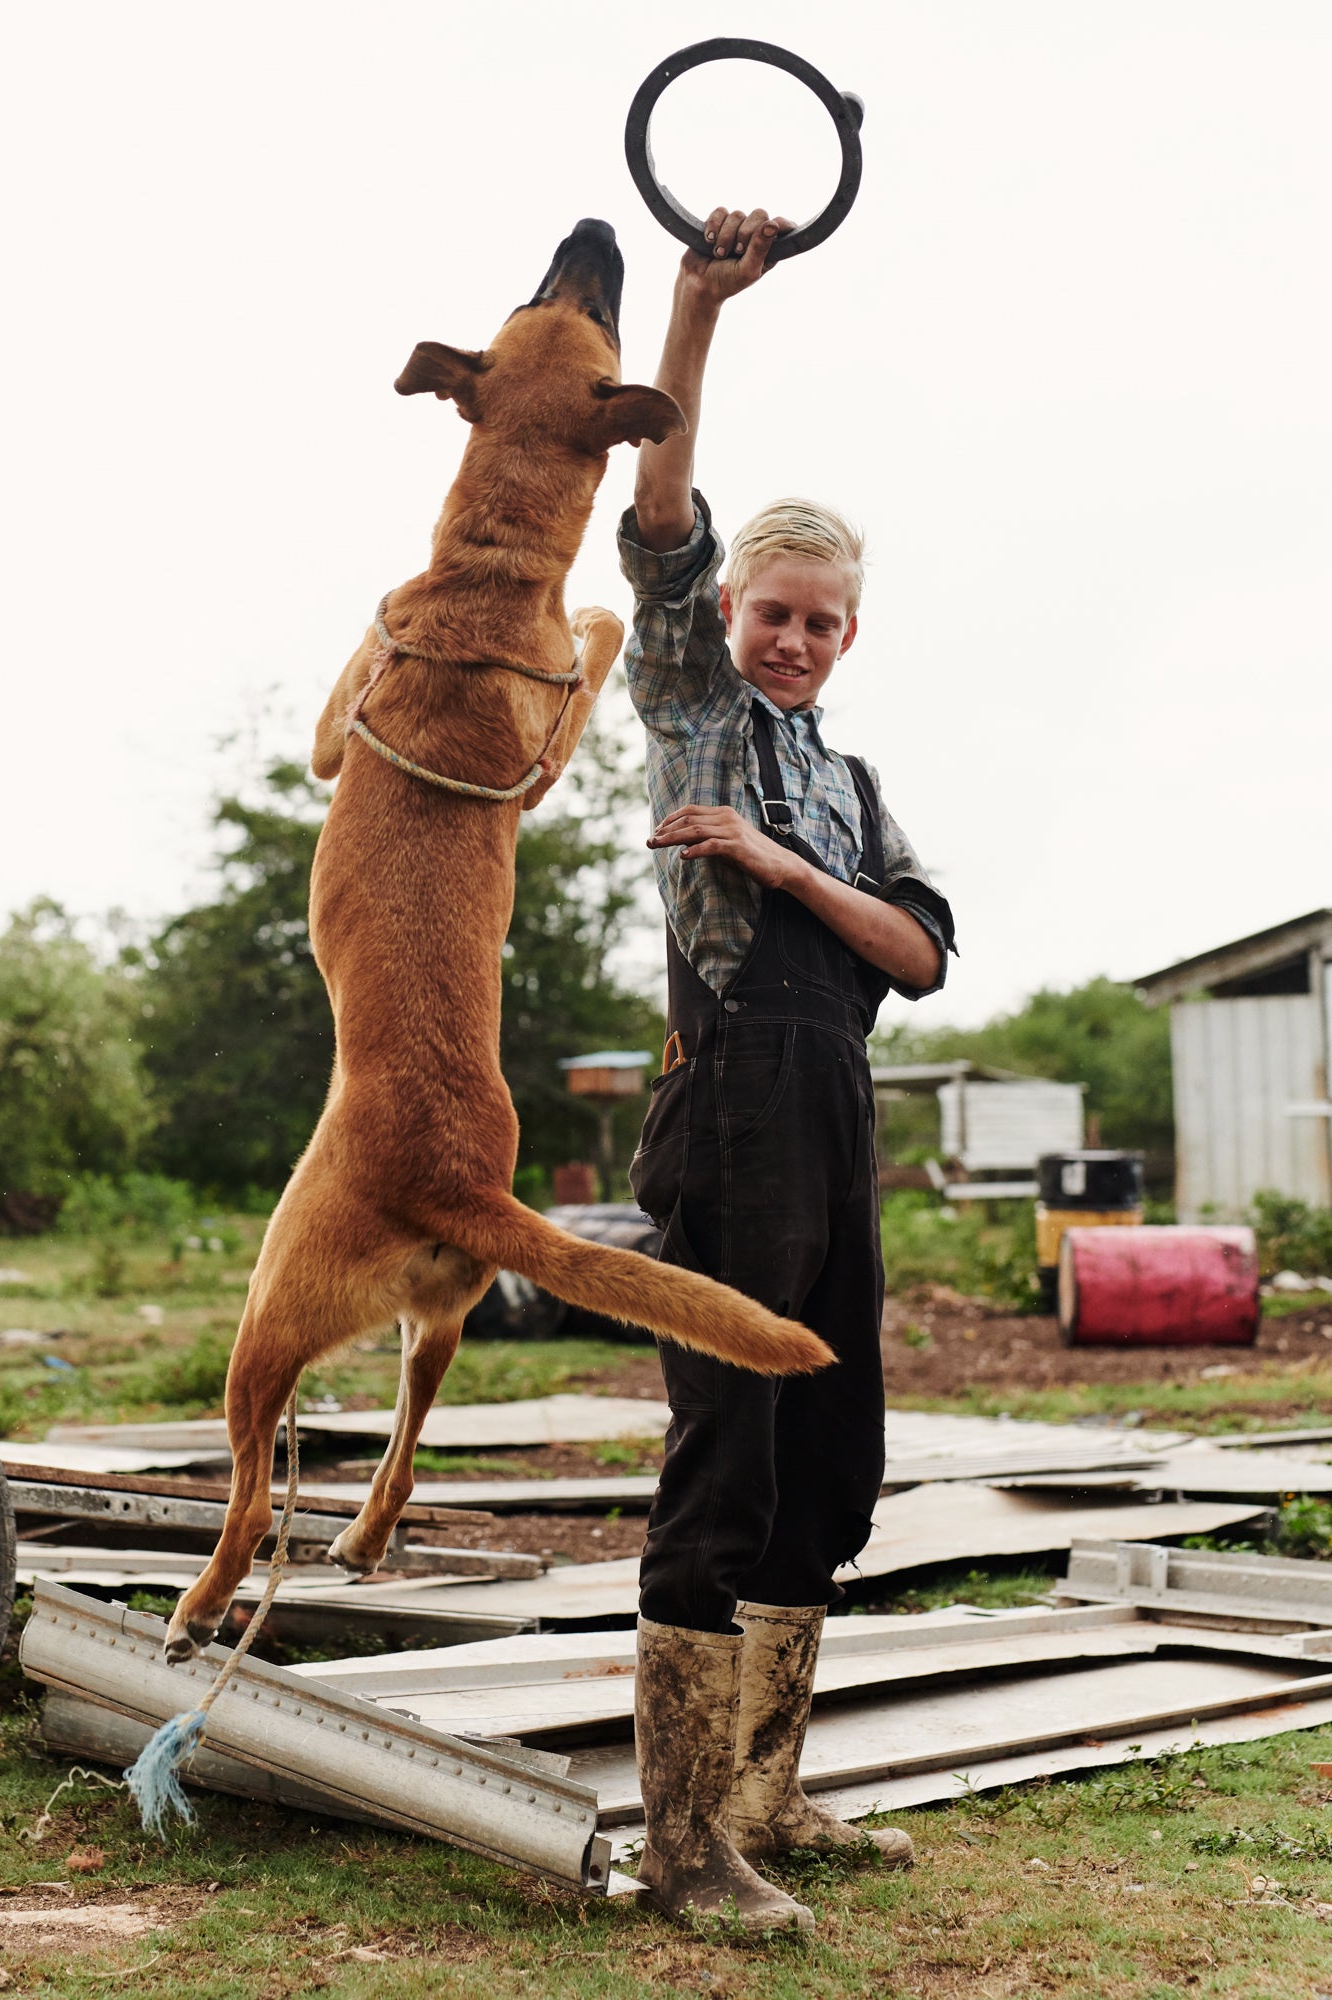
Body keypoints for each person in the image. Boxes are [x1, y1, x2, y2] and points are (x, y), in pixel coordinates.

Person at [619, 205, 956, 1931]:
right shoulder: (693, 704)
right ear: (734, 612)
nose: (795, 642)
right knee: (726, 1453)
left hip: (837, 1118)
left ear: (849, 634)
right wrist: (691, 306)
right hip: (731, 1101)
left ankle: (768, 1796)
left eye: (823, 624)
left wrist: (778, 865)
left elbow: (917, 951)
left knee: (828, 1451)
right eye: (775, 613)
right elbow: (660, 518)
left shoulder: (844, 780)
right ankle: (679, 1849)